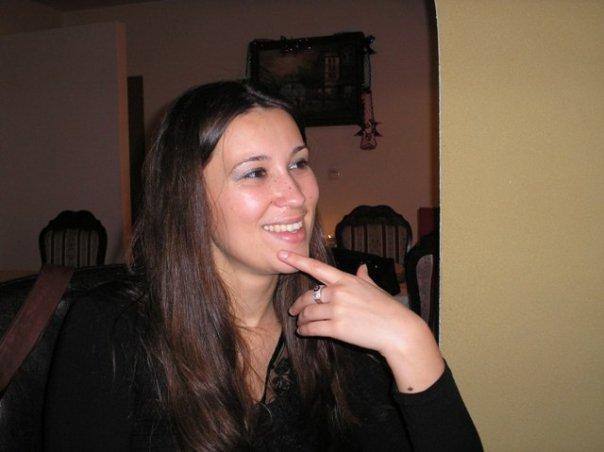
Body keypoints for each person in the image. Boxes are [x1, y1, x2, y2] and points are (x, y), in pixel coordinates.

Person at [43, 81, 482, 451]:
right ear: (186, 198)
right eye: (255, 172)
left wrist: (410, 340)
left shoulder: (339, 329)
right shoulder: (110, 329)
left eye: (298, 163)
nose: (296, 195)